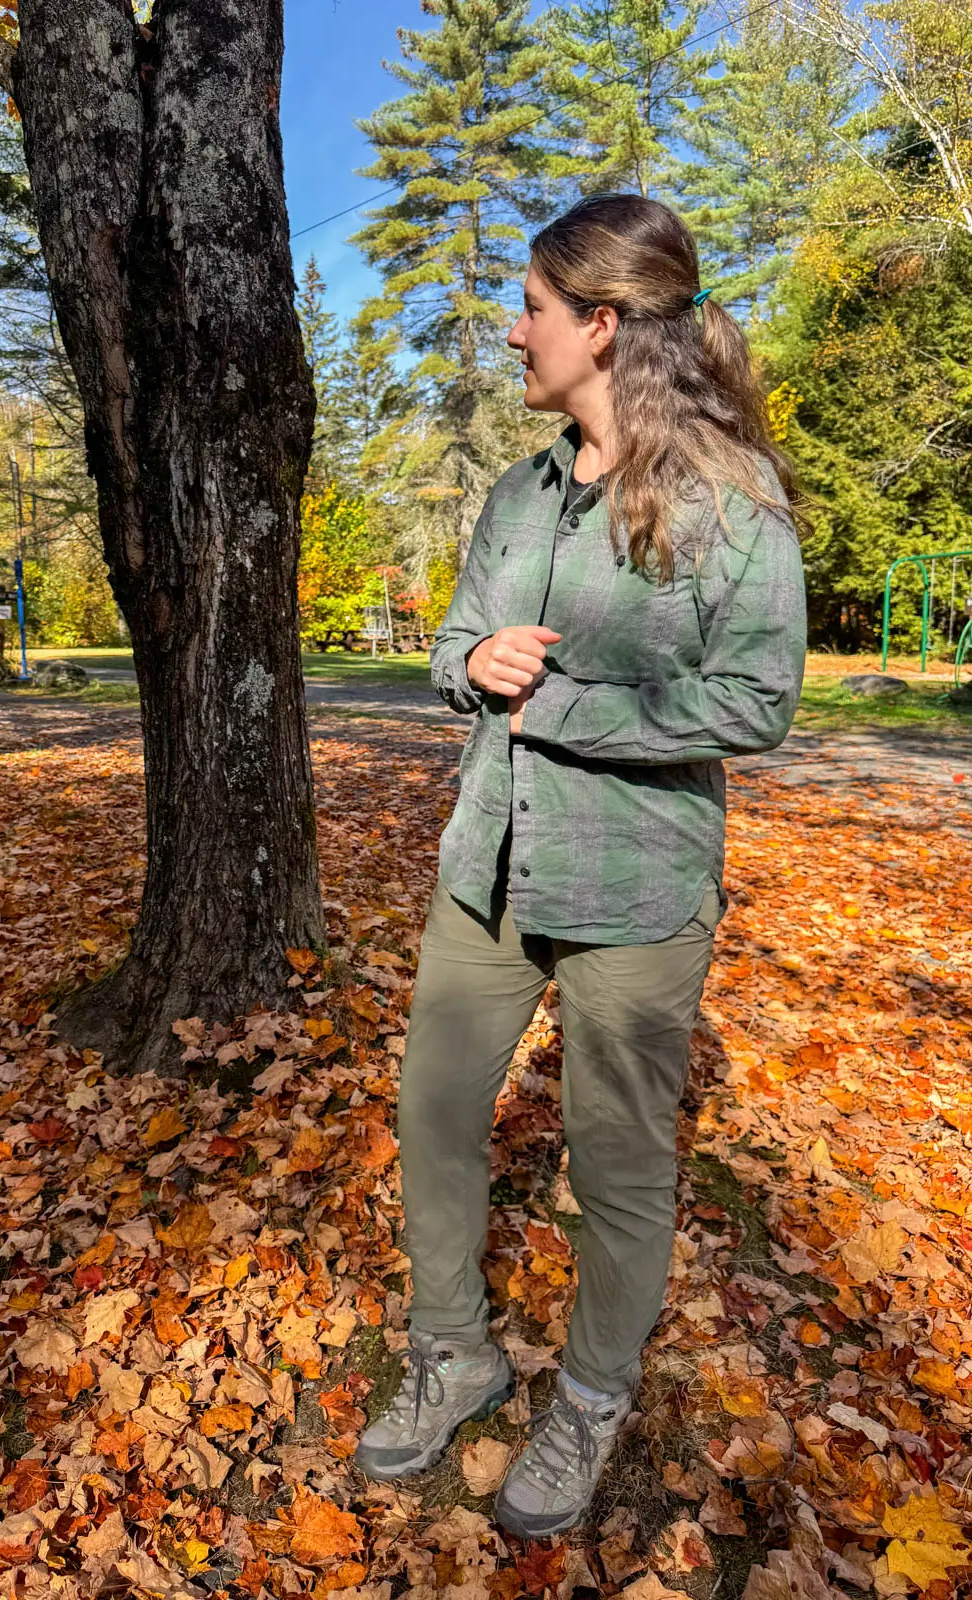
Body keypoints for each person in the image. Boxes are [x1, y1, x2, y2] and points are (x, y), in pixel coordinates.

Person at [353, 193, 809, 1540]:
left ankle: (594, 1399)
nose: (515, 331)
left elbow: (756, 702)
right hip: (486, 869)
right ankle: (457, 1350)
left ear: (601, 327)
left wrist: (561, 705)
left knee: (616, 1167)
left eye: (533, 310)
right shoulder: (517, 492)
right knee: (434, 1110)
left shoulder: (732, 502)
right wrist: (469, 666)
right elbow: (454, 642)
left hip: (636, 892)